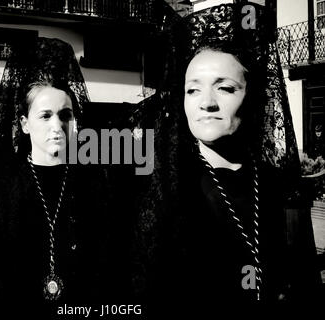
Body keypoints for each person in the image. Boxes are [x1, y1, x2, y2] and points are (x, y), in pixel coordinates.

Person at [132, 3, 321, 307]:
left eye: (226, 88)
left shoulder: (275, 185)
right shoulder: (161, 186)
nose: (206, 103)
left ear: (255, 96)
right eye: (192, 90)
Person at [0, 38, 111, 309]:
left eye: (65, 115)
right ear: (24, 123)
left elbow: (105, 262)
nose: (57, 125)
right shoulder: (3, 188)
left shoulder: (92, 183)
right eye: (45, 115)